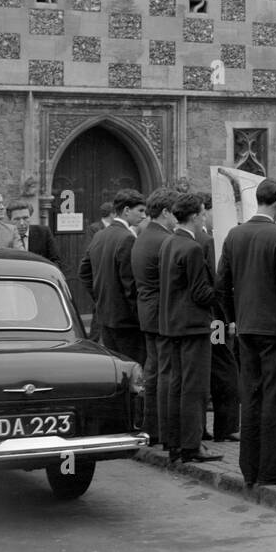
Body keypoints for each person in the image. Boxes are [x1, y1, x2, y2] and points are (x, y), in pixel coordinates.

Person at [216, 178, 276, 489]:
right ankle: (271, 468)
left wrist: (234, 318)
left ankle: (249, 467)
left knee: (251, 396)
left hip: (247, 328)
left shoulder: (234, 235)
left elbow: (221, 284)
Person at [159, 193, 221, 465]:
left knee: (178, 385)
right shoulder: (192, 248)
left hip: (172, 324)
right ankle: (191, 445)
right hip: (193, 326)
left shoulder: (169, 243)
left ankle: (175, 443)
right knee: (194, 388)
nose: (205, 217)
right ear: (195, 216)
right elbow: (201, 293)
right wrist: (222, 287)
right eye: (203, 213)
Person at [130, 187, 179, 448]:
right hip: (161, 314)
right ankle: (162, 431)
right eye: (174, 213)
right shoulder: (163, 240)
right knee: (164, 372)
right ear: (165, 212)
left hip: (147, 312)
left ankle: (152, 427)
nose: (176, 220)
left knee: (154, 370)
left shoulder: (143, 236)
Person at [77, 189, 147, 363]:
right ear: (126, 210)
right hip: (127, 321)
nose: (144, 216)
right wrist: (139, 316)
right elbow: (130, 285)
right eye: (140, 210)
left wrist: (100, 297)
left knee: (116, 369)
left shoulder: (100, 235)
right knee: (133, 369)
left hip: (105, 316)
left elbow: (84, 271)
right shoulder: (127, 238)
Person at [196, 194, 240, 442]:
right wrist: (228, 319)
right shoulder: (206, 241)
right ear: (206, 212)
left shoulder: (205, 240)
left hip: (213, 318)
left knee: (214, 369)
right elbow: (217, 284)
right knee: (224, 369)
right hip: (215, 319)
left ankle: (217, 426)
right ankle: (226, 426)